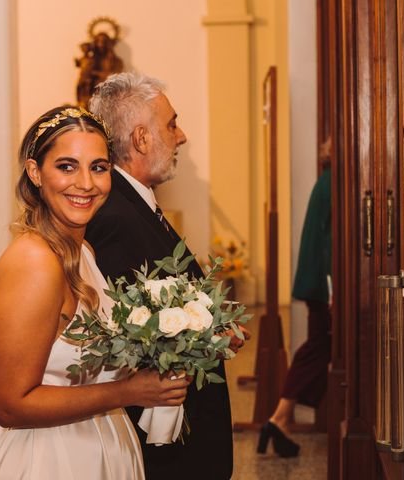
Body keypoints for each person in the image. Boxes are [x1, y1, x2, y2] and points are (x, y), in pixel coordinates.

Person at [0, 106, 190, 479]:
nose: (86, 183)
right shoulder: (34, 264)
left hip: (100, 444)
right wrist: (128, 392)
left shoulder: (83, 251)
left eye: (98, 167)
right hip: (49, 457)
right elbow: (10, 405)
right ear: (35, 172)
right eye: (66, 166)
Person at [85, 72, 238, 480]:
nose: (182, 135)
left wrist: (212, 328)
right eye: (171, 123)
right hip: (168, 444)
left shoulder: (135, 202)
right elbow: (128, 337)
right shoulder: (115, 215)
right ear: (141, 139)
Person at [257, 157, 332, 458]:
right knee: (318, 346)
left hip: (319, 280)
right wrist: (333, 289)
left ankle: (281, 420)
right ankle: (279, 417)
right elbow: (330, 243)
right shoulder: (335, 182)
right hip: (325, 283)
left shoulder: (327, 179)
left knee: (320, 346)